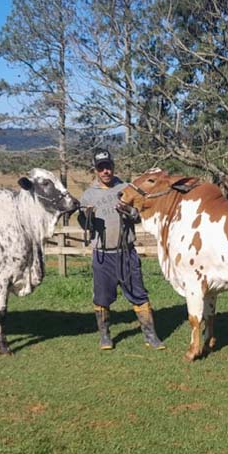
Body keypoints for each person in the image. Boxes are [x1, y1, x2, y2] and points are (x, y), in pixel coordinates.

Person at [77, 148, 166, 351]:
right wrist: (87, 217)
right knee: (102, 297)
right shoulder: (89, 195)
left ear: (113, 166)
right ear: (96, 170)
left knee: (139, 294)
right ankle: (105, 336)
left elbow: (138, 215)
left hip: (127, 252)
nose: (105, 171)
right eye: (101, 168)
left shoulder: (127, 187)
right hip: (102, 255)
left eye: (108, 166)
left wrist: (128, 210)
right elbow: (84, 224)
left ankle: (151, 336)